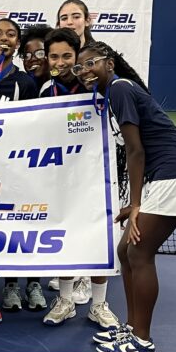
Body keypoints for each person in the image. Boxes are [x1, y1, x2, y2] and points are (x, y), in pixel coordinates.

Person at [73, 41, 176, 352]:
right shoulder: (111, 94)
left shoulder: (119, 88)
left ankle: (142, 340)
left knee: (140, 252)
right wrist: (134, 203)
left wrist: (135, 205)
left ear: (108, 63)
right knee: (125, 250)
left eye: (91, 64)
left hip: (175, 171)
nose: (85, 72)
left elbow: (136, 150)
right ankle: (131, 328)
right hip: (161, 174)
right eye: (80, 68)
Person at [37, 29, 120, 329]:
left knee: (99, 239)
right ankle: (66, 301)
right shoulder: (47, 90)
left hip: (98, 176)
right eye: (54, 57)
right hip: (61, 178)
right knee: (67, 239)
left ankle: (99, 305)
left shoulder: (100, 86)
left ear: (77, 56)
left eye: (67, 56)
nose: (60, 62)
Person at [0, 19, 42, 318]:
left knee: (14, 226)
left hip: (11, 166)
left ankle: (19, 284)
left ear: (17, 44)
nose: (4, 38)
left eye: (11, 35)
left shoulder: (24, 82)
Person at [17, 24, 53, 90]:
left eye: (40, 53)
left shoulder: (62, 88)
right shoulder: (20, 88)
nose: (33, 59)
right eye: (27, 56)